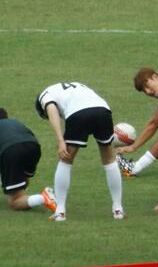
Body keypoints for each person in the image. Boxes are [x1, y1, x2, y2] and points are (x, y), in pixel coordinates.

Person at [35, 81, 124, 221]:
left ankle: (60, 211)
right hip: (103, 110)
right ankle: (118, 210)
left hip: (78, 114)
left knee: (66, 159)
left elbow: (52, 110)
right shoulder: (74, 86)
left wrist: (60, 141)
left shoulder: (44, 95)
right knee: (109, 158)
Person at [0, 107, 56, 211]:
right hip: (34, 146)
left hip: (10, 150)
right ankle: (23, 196)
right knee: (22, 178)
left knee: (14, 203)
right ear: (6, 117)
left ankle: (43, 197)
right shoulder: (16, 122)